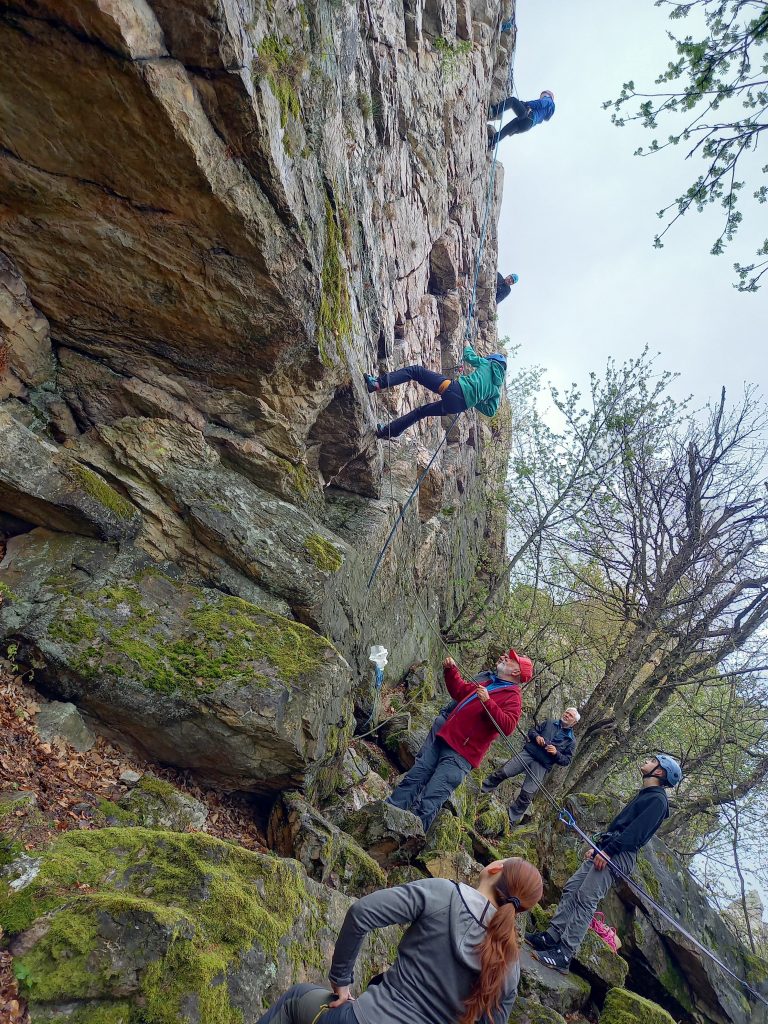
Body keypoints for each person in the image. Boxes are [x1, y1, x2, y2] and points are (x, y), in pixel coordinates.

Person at [255, 857, 544, 1024]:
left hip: (368, 1018)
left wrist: (341, 981)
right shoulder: (510, 966)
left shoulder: (443, 894)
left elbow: (361, 913)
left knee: (296, 999)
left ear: (496, 869)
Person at [526, 753, 683, 975]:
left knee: (586, 898)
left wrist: (608, 851)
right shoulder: (647, 794)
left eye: (652, 761)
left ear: (659, 772)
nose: (647, 761)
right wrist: (599, 846)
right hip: (609, 849)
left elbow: (635, 833)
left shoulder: (658, 801)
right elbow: (620, 828)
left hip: (619, 854)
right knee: (573, 887)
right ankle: (552, 936)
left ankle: (565, 953)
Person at [386, 650, 532, 831]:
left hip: (461, 755)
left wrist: (488, 702)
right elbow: (460, 691)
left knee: (431, 798)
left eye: (511, 660)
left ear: (516, 672)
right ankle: (387, 814)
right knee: (414, 778)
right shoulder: (489, 682)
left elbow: (508, 727)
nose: (505, 658)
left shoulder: (514, 698)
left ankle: (410, 837)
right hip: (444, 739)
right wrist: (451, 670)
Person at [364, 344, 506, 440]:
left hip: (454, 389)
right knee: (420, 413)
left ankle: (376, 384)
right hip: (457, 407)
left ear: (492, 360)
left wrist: (467, 344)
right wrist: (475, 400)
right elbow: (491, 411)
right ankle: (386, 432)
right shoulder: (497, 389)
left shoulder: (487, 364)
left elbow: (469, 356)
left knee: (416, 371)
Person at [482, 707, 580, 827]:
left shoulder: (571, 741)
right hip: (528, 753)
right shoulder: (550, 722)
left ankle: (509, 820)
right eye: (566, 713)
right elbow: (532, 731)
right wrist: (537, 737)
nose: (567, 715)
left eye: (570, 715)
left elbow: (566, 761)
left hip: (542, 765)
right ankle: (482, 790)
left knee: (527, 795)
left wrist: (556, 753)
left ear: (574, 722)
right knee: (503, 772)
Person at [488, 90, 555, 148]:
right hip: (527, 126)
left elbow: (539, 103)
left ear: (548, 94)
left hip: (529, 116)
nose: (541, 97)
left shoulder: (548, 100)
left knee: (513, 101)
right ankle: (491, 142)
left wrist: (525, 104)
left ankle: (493, 111)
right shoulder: (544, 114)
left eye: (542, 95)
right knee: (506, 130)